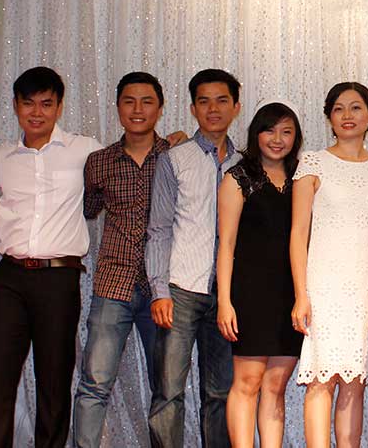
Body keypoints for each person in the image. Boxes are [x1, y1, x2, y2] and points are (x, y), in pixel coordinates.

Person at [0, 66, 103, 448]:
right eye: (28, 103)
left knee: (54, 381)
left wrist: (170, 142)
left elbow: (127, 161)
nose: (37, 112)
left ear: (59, 107)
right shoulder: (0, 157)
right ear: (15, 106)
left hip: (58, 280)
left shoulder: (85, 150)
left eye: (46, 104)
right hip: (9, 279)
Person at [72, 72, 184, 447]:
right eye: (129, 101)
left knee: (166, 387)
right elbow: (89, 209)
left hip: (163, 289)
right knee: (94, 383)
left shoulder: (176, 157)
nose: (138, 109)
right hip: (113, 285)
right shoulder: (99, 162)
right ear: (118, 106)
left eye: (147, 101)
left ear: (160, 108)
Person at [290, 82, 368, 448]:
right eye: (338, 108)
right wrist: (301, 294)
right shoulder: (313, 162)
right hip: (323, 287)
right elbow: (298, 234)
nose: (347, 116)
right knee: (321, 379)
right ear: (329, 117)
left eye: (356, 107)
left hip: (366, 288)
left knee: (355, 380)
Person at [146, 68, 243, 448]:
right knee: (169, 392)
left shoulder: (246, 164)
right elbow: (159, 229)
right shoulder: (174, 159)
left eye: (221, 100)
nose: (213, 109)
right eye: (204, 101)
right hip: (181, 290)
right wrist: (159, 291)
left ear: (236, 107)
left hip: (228, 296)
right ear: (192, 108)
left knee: (220, 393)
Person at [215, 100, 305, 448]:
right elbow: (226, 245)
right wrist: (225, 302)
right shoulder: (238, 177)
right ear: (256, 134)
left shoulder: (303, 179)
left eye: (286, 132)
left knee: (275, 385)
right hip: (249, 295)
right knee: (247, 382)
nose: (277, 139)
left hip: (290, 296)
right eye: (270, 130)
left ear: (296, 137)